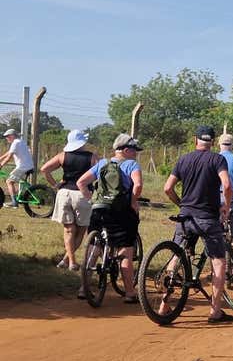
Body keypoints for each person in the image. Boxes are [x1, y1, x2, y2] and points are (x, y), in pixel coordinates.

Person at [163, 125, 233, 323]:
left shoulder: (184, 159)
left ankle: (163, 304)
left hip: (185, 216)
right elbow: (227, 185)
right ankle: (215, 311)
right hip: (207, 218)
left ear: (196, 140)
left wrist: (181, 204)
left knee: (176, 256)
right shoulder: (217, 159)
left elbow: (168, 188)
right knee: (219, 262)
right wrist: (225, 207)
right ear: (212, 141)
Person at [76, 134, 143, 302]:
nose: (136, 154)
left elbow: (81, 183)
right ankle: (129, 293)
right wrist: (133, 202)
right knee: (125, 251)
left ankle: (84, 287)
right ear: (126, 150)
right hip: (121, 211)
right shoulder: (131, 164)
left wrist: (92, 199)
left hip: (99, 209)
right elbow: (138, 185)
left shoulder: (102, 164)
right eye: (134, 151)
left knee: (94, 246)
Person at [41, 130, 98, 271]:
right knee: (81, 229)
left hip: (64, 193)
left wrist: (55, 185)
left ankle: (69, 261)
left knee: (69, 230)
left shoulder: (63, 156)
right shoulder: (92, 157)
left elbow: (44, 169)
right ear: (83, 142)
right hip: (82, 194)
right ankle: (69, 260)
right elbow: (99, 174)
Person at [0, 129, 34, 208]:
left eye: (7, 136)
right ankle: (22, 196)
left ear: (12, 136)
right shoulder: (20, 142)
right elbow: (8, 153)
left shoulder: (15, 143)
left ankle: (14, 202)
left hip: (23, 167)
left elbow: (9, 157)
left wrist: (1, 165)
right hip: (28, 166)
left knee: (9, 181)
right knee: (20, 182)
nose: (6, 138)